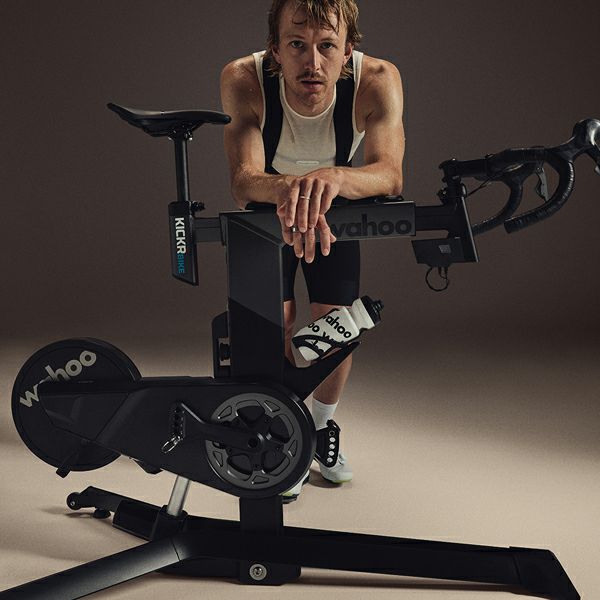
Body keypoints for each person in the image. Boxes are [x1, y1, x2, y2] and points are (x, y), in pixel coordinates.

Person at [220, 0, 404, 500]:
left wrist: (333, 178)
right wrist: (292, 189)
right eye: (297, 45)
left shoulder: (377, 79)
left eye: (327, 46)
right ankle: (282, 436)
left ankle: (318, 427)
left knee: (335, 323)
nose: (313, 62)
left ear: (348, 50)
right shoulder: (243, 78)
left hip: (337, 202)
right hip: (270, 206)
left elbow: (389, 174)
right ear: (275, 50)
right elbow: (244, 181)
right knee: (273, 323)